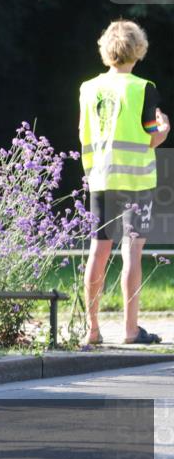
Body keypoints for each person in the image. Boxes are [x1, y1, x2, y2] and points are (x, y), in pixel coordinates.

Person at [79, 20, 170, 347]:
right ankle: (131, 330)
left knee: (97, 252)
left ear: (106, 49)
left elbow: (83, 134)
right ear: (139, 49)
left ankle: (91, 330)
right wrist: (164, 131)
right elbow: (149, 137)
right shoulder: (144, 87)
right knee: (132, 254)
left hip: (101, 179)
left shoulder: (88, 89)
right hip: (136, 181)